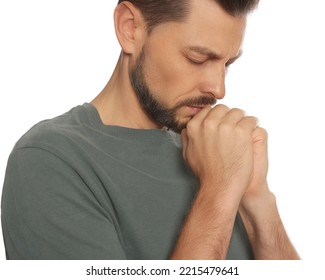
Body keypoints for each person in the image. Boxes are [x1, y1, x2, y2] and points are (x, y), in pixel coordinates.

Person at [1, 0, 299, 260]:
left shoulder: (215, 149)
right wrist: (219, 188)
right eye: (198, 58)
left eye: (227, 64)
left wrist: (256, 198)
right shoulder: (51, 160)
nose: (219, 88)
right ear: (130, 28)